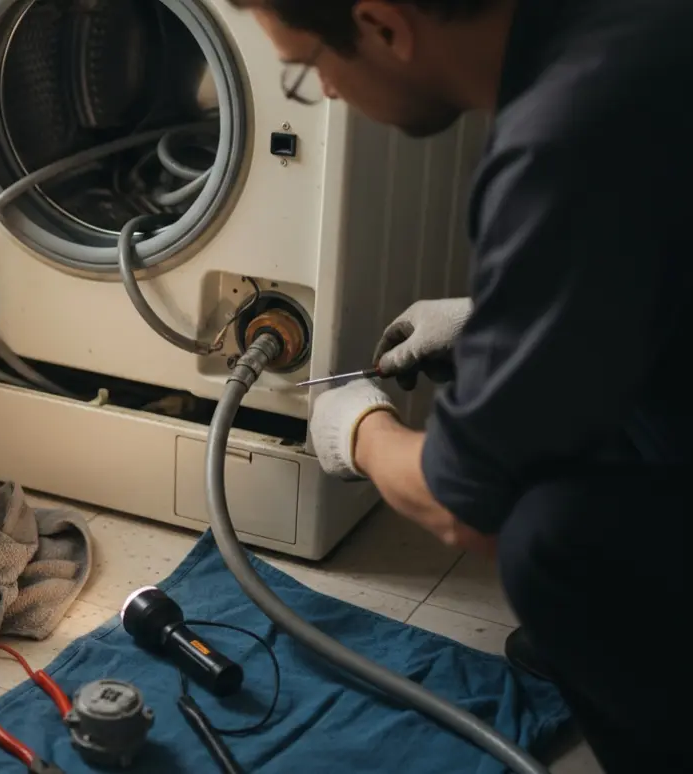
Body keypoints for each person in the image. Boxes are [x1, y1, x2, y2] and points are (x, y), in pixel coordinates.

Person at [226, 0, 693, 771]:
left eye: (308, 71)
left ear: (382, 24)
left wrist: (362, 433)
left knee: (551, 539)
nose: (328, 94)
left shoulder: (565, 136)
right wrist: (500, 319)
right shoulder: (629, 34)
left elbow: (469, 504)